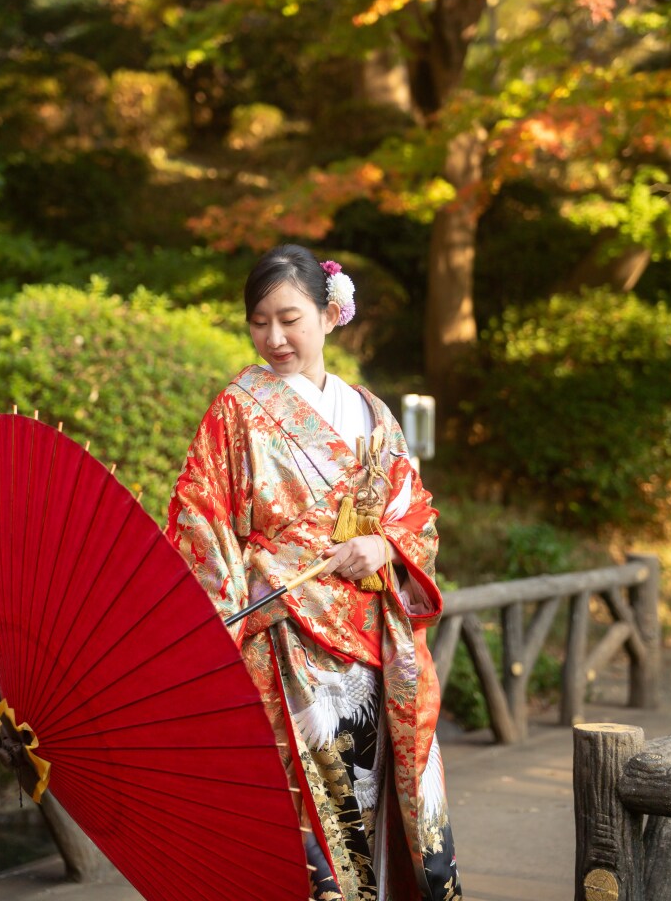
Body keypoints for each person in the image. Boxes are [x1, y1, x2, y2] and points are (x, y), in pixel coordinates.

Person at [166, 244, 462, 901]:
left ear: (331, 315)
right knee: (316, 827)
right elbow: (198, 515)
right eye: (259, 321)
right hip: (281, 640)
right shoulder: (237, 411)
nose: (274, 337)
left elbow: (410, 515)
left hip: (375, 642)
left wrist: (383, 548)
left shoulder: (372, 416)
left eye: (290, 318)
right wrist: (251, 578)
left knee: (386, 801)